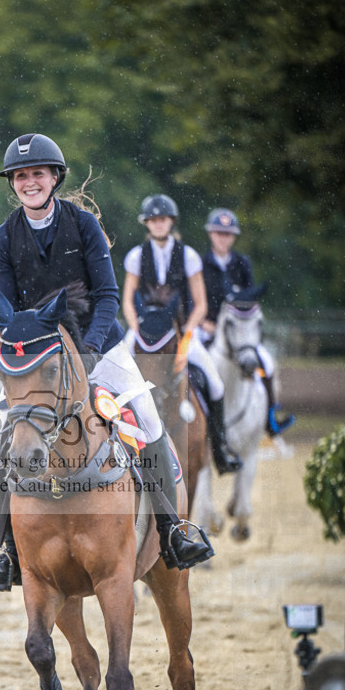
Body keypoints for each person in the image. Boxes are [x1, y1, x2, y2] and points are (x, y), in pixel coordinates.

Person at [0, 134, 213, 592]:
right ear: (13, 184)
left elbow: (106, 296)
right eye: (21, 176)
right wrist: (22, 353)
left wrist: (89, 351)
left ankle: (173, 530)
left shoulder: (82, 225)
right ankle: (5, 549)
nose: (29, 182)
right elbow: (4, 307)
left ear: (54, 177)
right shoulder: (3, 237)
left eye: (37, 174)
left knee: (148, 421)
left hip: (98, 347)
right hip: (39, 358)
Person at [122, 194, 243, 478]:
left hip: (181, 331)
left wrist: (188, 331)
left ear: (171, 222)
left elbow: (200, 304)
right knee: (114, 374)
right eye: (152, 220)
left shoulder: (188, 256)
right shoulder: (135, 256)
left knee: (214, 383)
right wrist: (134, 327)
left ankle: (220, 449)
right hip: (143, 331)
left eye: (162, 219)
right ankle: (116, 443)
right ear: (147, 224)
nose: (158, 224)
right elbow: (127, 300)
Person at [200, 208, 295, 436]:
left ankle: (270, 418)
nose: (223, 238)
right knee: (189, 364)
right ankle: (191, 417)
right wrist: (204, 323)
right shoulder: (201, 264)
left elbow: (250, 298)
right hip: (207, 326)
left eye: (228, 233)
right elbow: (193, 298)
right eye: (219, 233)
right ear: (211, 234)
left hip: (238, 331)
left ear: (233, 237)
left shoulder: (242, 263)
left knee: (267, 364)